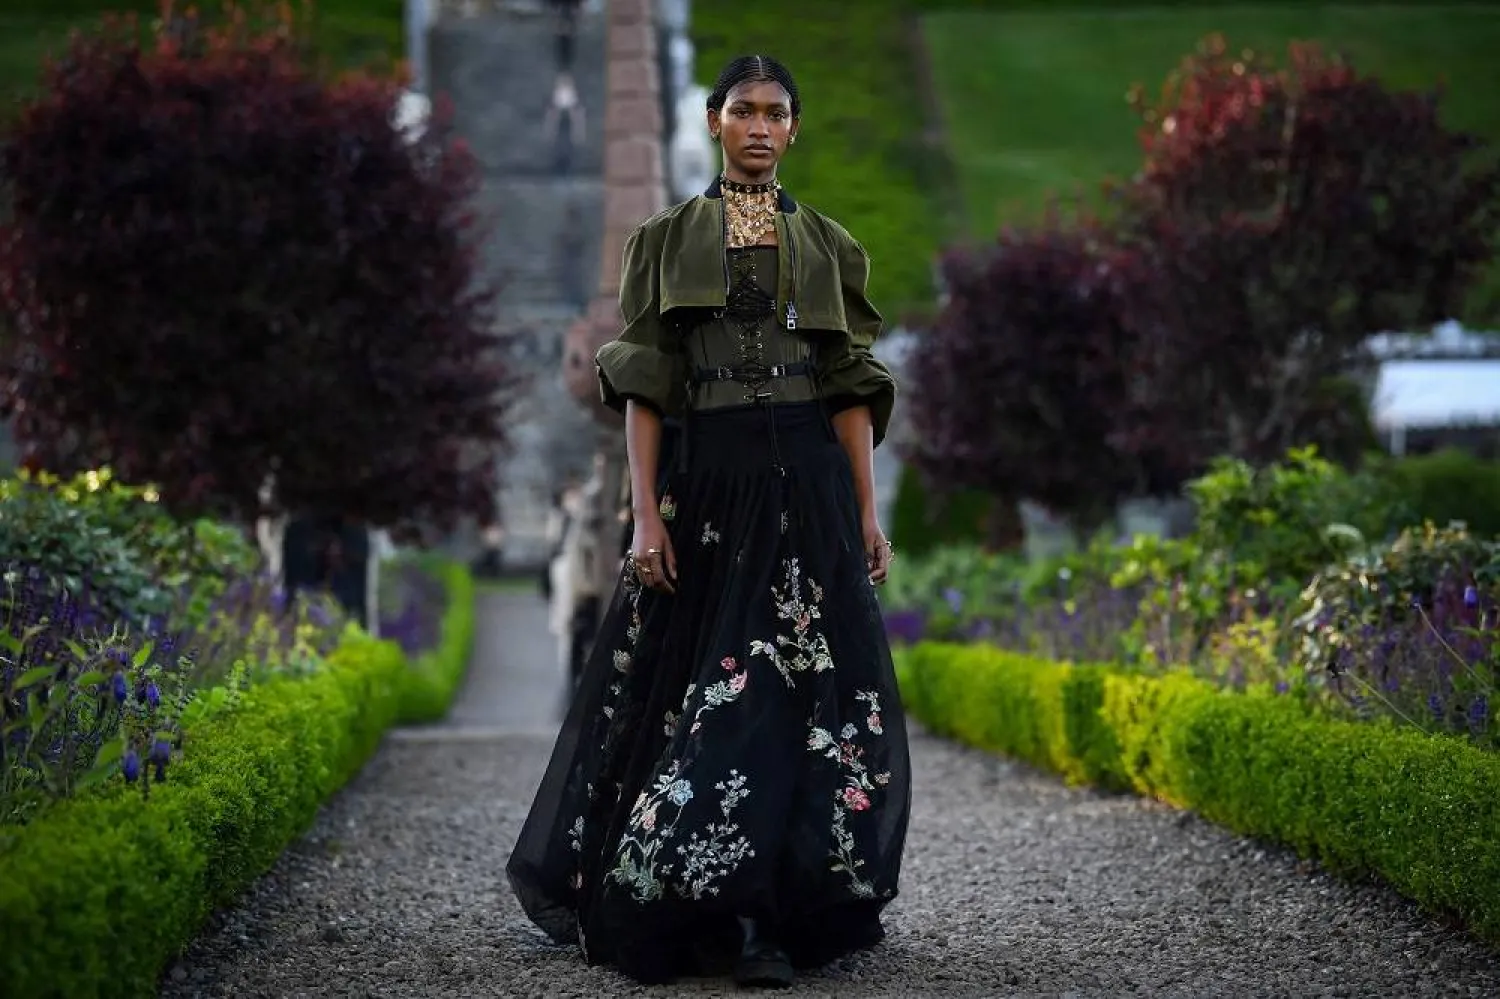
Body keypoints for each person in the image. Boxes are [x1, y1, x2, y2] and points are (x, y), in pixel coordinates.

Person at [507, 55, 910, 989]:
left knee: (800, 700)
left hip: (805, 486)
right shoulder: (663, 241)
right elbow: (645, 388)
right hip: (711, 486)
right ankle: (707, 905)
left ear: (794, 128)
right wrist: (645, 515)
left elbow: (852, 393)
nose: (760, 127)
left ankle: (764, 912)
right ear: (713, 121)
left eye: (776, 112)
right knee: (709, 692)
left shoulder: (834, 247)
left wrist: (865, 514)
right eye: (743, 111)